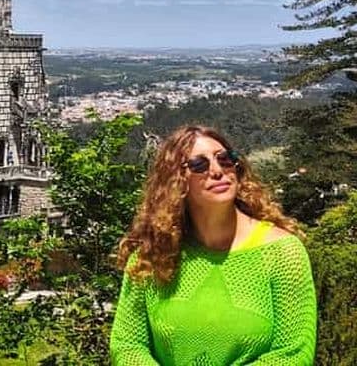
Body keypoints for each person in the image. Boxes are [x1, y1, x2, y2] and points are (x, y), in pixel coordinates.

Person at [110, 125, 316, 365]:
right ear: (176, 181)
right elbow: (127, 344)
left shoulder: (282, 253)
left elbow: (293, 352)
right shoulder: (153, 255)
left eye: (225, 159)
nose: (217, 171)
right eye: (199, 165)